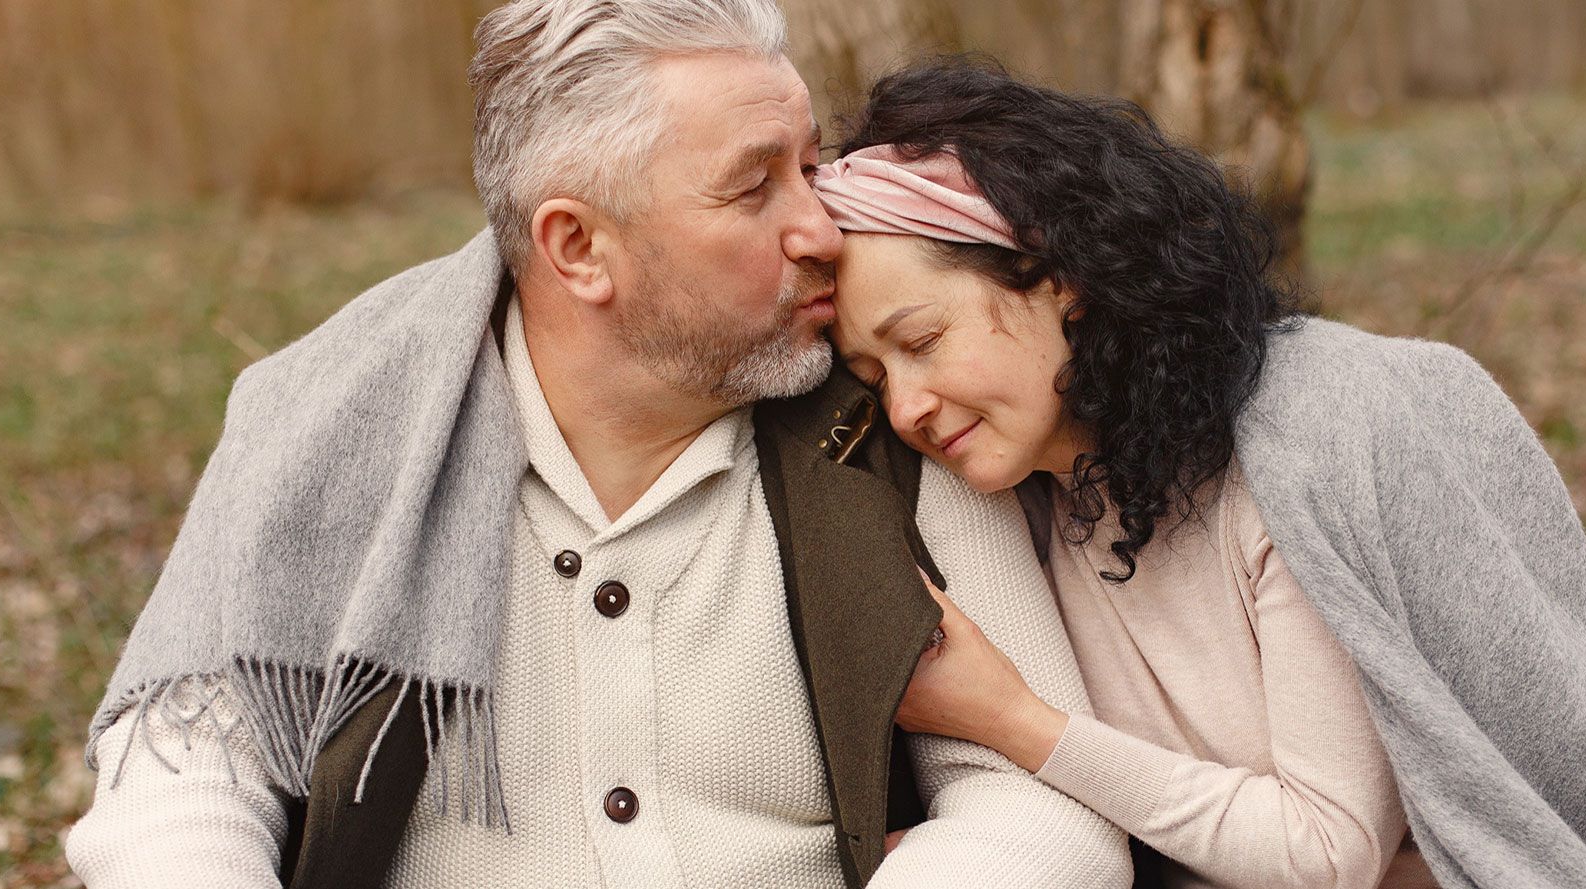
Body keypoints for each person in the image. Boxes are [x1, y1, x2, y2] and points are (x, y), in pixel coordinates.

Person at [63, 7, 1131, 888]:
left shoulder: (893, 416)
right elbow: (176, 779)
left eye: (812, 166)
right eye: (755, 185)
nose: (821, 230)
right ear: (578, 246)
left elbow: (1042, 805)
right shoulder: (328, 418)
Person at [818, 58, 1586, 889]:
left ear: (1055, 275)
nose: (906, 408)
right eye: (874, 376)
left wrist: (1017, 721)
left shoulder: (1291, 455)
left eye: (922, 341)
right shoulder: (1019, 507)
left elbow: (1327, 852)